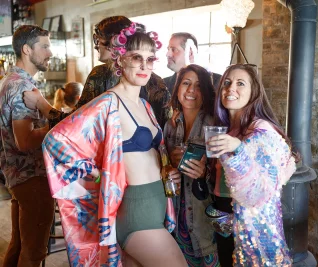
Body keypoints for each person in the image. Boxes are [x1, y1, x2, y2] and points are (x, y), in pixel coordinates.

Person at [42, 21, 187, 267]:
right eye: (136, 57)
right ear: (119, 60)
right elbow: (55, 142)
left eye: (150, 59)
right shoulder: (108, 104)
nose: (144, 65)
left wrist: (168, 170)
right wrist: (98, 175)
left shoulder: (146, 105)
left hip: (155, 209)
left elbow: (153, 156)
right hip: (136, 215)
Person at [206, 64, 297, 266]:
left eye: (240, 83)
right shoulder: (226, 129)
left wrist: (239, 149)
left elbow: (263, 188)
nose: (231, 89)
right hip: (223, 217)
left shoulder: (262, 130)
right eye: (227, 83)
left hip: (252, 225)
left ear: (253, 92)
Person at [23, 16, 171, 129]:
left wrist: (41, 104)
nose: (96, 47)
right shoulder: (156, 80)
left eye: (98, 40)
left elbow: (75, 125)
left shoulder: (100, 75)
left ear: (113, 42)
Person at [0, 25, 54, 267]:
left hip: (16, 175)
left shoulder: (7, 80)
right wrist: (54, 128)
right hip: (31, 176)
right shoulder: (22, 86)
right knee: (33, 253)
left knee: (19, 245)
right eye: (44, 46)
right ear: (26, 49)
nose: (50, 52)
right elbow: (25, 141)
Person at [164, 64, 219, 266]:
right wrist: (169, 168)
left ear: (205, 92)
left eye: (198, 85)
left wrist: (204, 173)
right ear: (177, 88)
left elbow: (228, 177)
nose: (191, 90)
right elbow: (161, 164)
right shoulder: (170, 125)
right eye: (186, 83)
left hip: (204, 222)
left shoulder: (213, 126)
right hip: (175, 218)